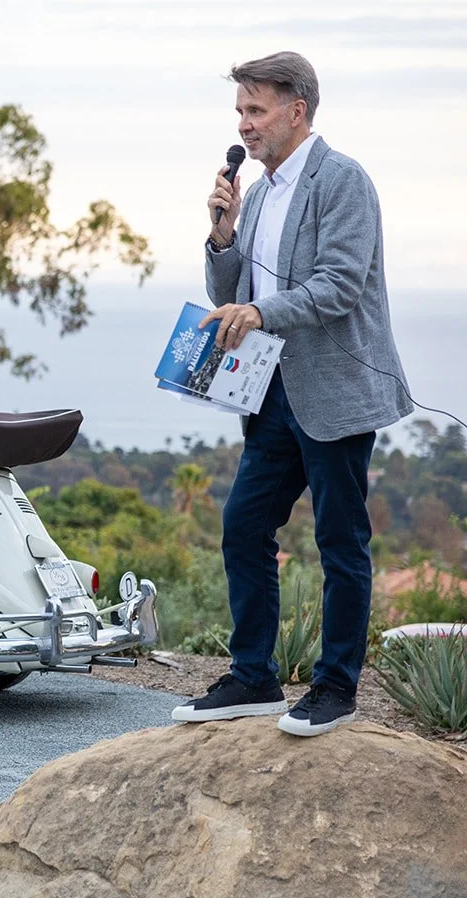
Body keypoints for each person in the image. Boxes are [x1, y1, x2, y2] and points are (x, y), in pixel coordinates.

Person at [172, 51, 412, 737]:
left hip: (334, 390)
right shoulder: (259, 193)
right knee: (244, 527)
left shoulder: (341, 180)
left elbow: (340, 284)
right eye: (239, 111)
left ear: (297, 109)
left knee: (340, 540)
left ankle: (336, 687)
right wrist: (222, 238)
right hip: (271, 390)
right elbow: (233, 294)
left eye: (256, 109)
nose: (244, 124)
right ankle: (253, 675)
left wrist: (259, 311)